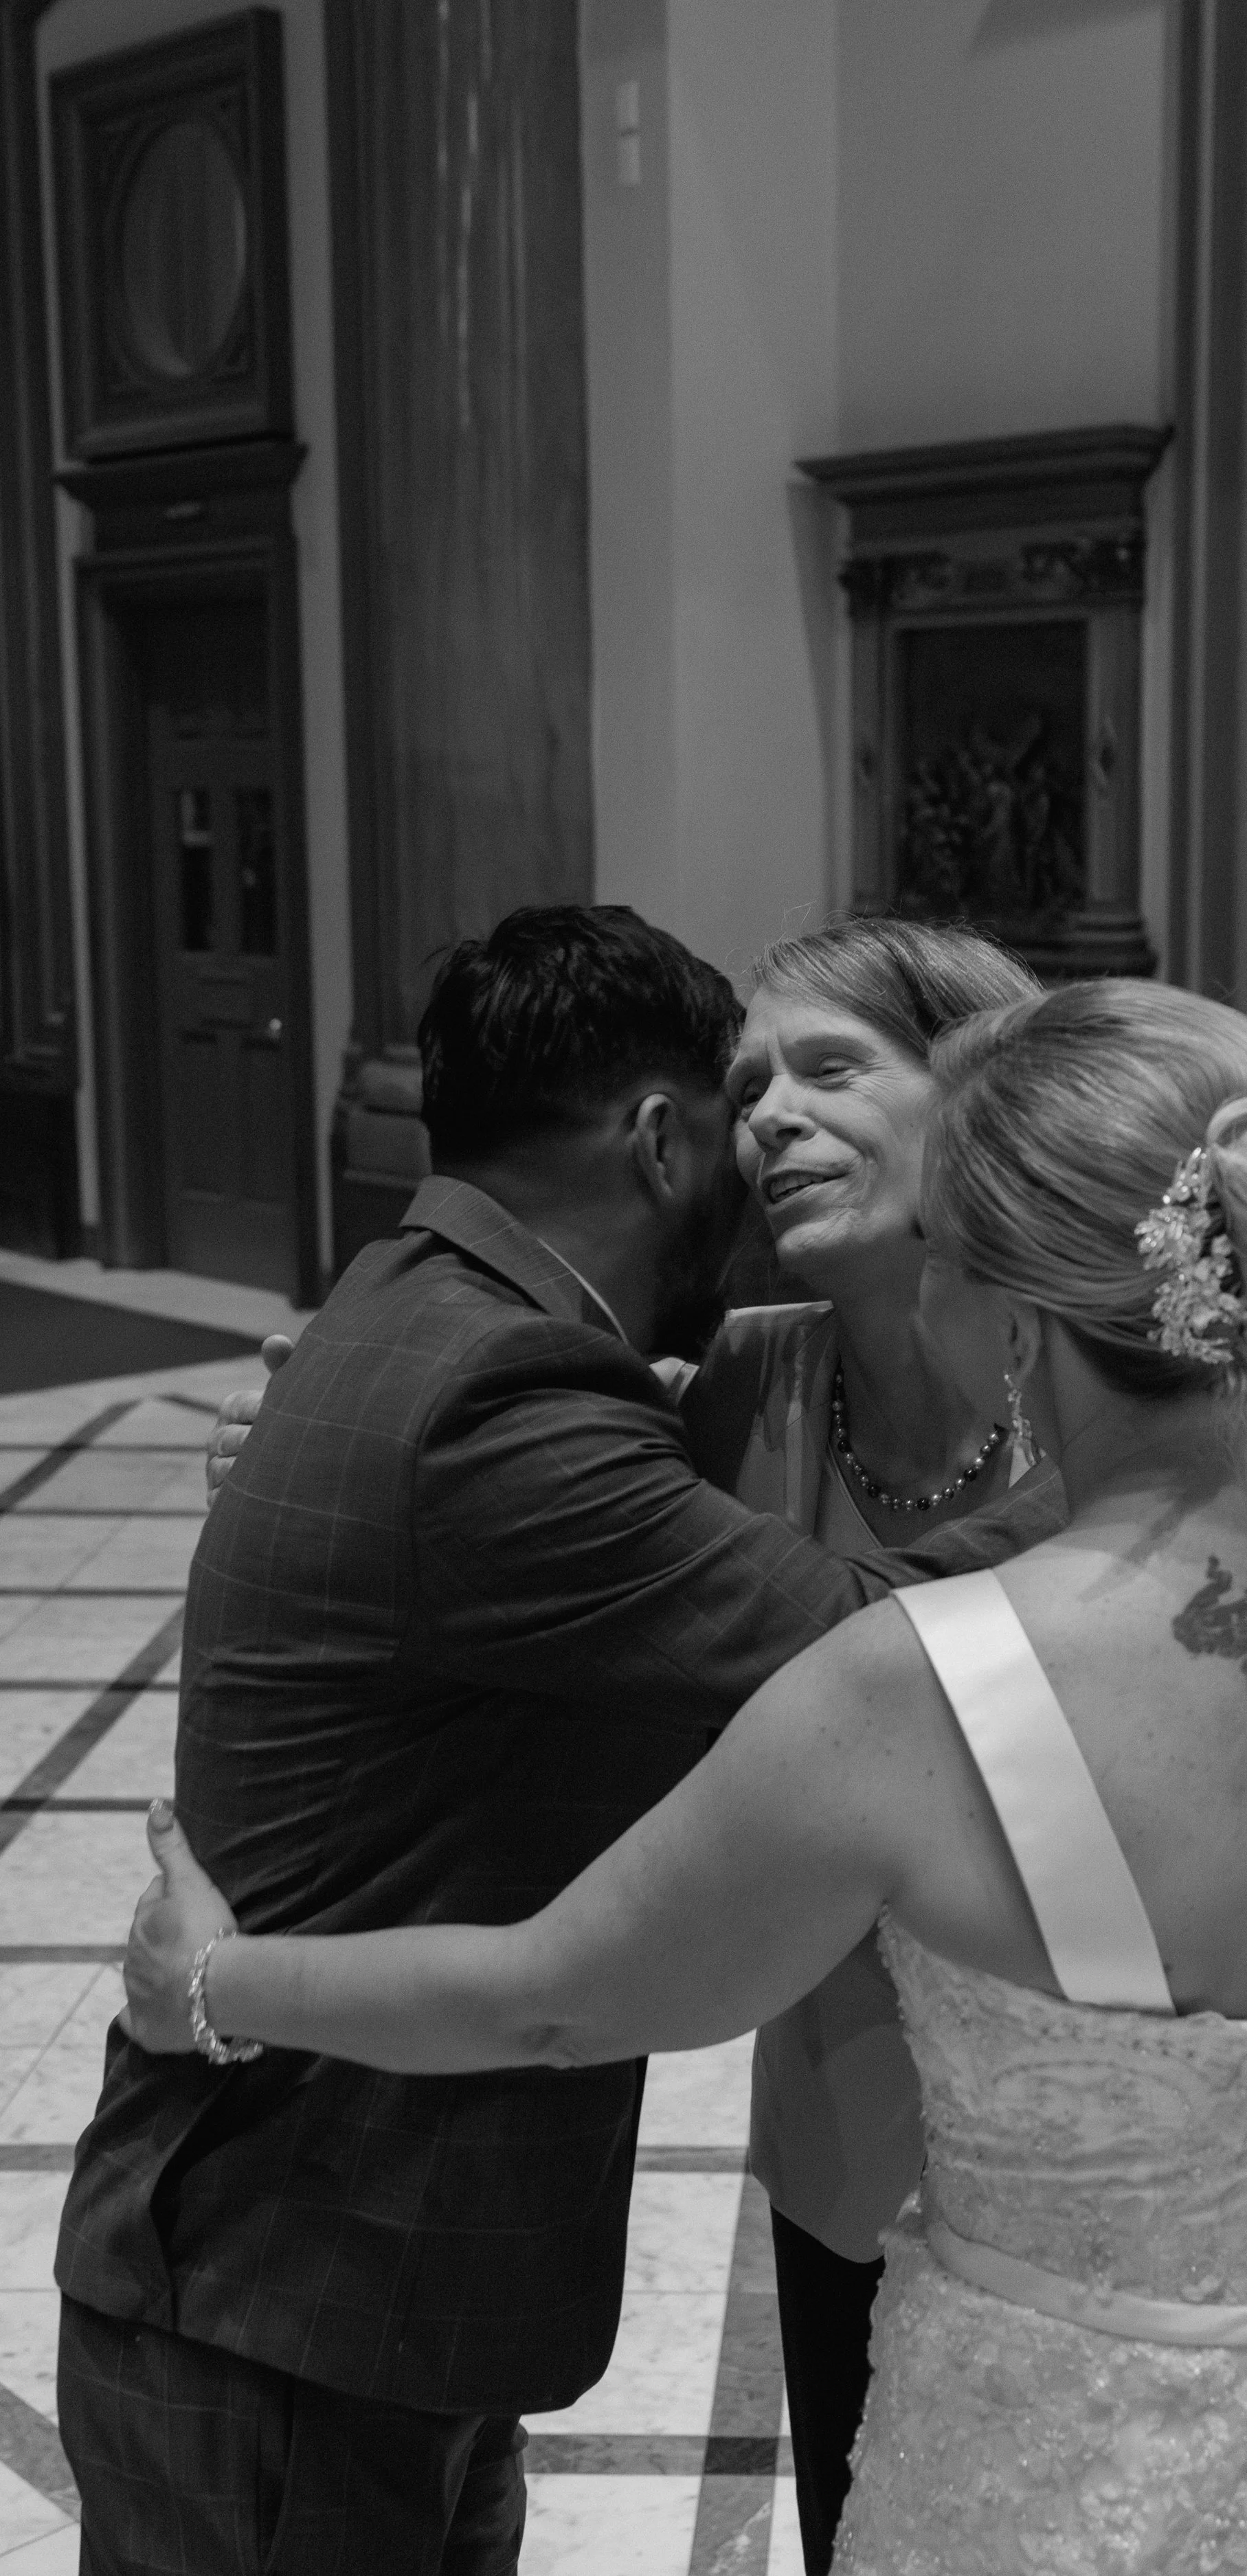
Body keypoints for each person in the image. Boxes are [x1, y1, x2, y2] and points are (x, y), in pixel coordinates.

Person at [126, 978, 1247, 2570]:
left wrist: (220, 1980)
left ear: (1009, 1315)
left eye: (935, 1242)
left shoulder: (918, 1690)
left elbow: (557, 1994)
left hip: (1088, 2476)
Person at [53, 905, 1068, 2576]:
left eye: (826, 1070)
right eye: (750, 1090)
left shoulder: (470, 1351)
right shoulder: (668, 1388)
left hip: (1060, 2122)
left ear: (982, 1100)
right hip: (318, 2266)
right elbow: (868, 1665)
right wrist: (1155, 1519)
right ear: (668, 1138)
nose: (769, 1132)